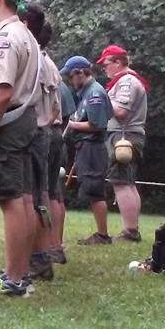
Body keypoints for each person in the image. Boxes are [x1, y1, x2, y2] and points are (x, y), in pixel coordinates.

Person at [0, 0, 40, 297]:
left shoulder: (5, 38)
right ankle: (20, 272)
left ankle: (15, 278)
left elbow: (1, 92)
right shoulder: (25, 35)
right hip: (24, 121)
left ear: (0, 0)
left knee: (10, 198)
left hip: (8, 123)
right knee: (24, 197)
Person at [20, 5, 60, 282]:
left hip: (34, 134)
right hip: (44, 131)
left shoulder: (35, 61)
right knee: (40, 196)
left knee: (31, 198)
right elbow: (56, 108)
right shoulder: (48, 62)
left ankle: (36, 259)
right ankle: (41, 255)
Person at [97, 44, 149, 242]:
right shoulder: (127, 80)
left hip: (123, 136)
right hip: (128, 135)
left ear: (118, 62)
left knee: (120, 183)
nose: (105, 69)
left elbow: (121, 112)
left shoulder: (126, 82)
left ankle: (130, 232)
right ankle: (131, 229)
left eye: (106, 64)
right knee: (128, 182)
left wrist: (100, 98)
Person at [61, 55, 114, 245]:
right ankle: (101, 234)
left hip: (93, 146)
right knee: (91, 189)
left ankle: (102, 235)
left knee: (95, 190)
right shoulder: (86, 92)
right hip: (86, 147)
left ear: (81, 73)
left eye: (70, 76)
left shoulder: (95, 94)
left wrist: (72, 125)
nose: (69, 81)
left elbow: (97, 125)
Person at [48, 75, 76, 262]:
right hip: (57, 137)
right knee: (55, 194)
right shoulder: (60, 81)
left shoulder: (46, 73)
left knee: (47, 194)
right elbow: (67, 115)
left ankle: (51, 247)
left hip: (47, 136)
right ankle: (56, 245)